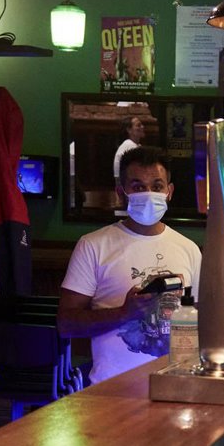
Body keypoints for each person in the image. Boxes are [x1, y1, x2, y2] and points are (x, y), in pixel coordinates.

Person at [59, 148, 201, 385]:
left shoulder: (189, 249)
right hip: (111, 389)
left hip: (175, 385)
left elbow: (201, 319)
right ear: (121, 192)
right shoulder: (93, 246)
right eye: (138, 186)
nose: (148, 194)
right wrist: (124, 313)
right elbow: (66, 324)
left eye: (157, 186)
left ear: (169, 191)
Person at [112, 115, 146, 181]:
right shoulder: (129, 146)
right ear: (129, 130)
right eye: (138, 125)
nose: (142, 127)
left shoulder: (135, 145)